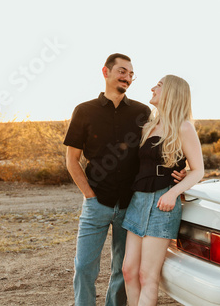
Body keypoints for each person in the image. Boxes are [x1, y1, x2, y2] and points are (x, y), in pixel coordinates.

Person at [63, 54, 185, 306]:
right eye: (122, 71)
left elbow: (158, 148)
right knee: (85, 266)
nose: (127, 77)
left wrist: (178, 171)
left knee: (123, 270)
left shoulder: (143, 113)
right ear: (105, 72)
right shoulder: (84, 111)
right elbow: (72, 160)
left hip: (131, 206)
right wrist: (89, 195)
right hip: (96, 203)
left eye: (131, 74)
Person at [121, 75, 204, 306]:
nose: (152, 88)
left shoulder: (183, 127)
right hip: (138, 201)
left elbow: (198, 170)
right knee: (128, 270)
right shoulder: (149, 126)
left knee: (147, 275)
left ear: (171, 93)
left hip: (162, 204)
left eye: (158, 85)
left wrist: (173, 192)